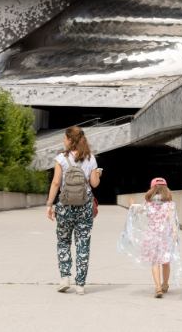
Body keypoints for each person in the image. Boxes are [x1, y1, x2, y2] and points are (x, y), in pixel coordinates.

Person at [45, 126, 102, 295]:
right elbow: (94, 184)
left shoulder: (61, 158)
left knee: (63, 241)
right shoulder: (90, 158)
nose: (63, 141)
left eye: (64, 138)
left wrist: (49, 204)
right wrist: (98, 173)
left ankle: (65, 278)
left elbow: (56, 183)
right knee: (83, 243)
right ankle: (80, 285)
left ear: (70, 140)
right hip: (85, 206)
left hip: (65, 206)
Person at [118, 177, 182, 298]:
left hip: (152, 236)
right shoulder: (170, 205)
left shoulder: (148, 204)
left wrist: (132, 205)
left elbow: (137, 210)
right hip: (165, 237)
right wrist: (174, 233)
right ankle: (165, 284)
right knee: (166, 262)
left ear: (152, 189)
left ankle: (158, 287)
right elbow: (172, 220)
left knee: (155, 262)